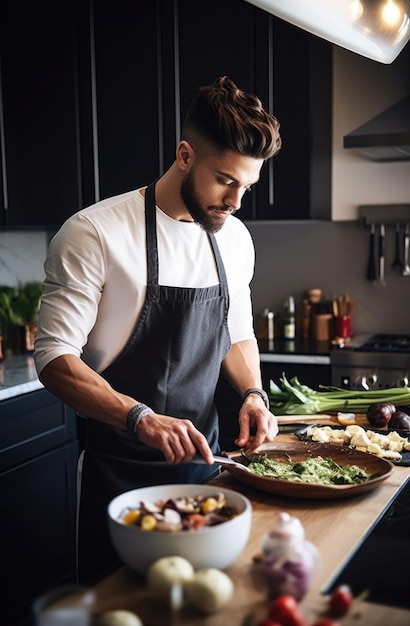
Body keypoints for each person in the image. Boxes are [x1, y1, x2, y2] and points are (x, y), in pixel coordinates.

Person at [34, 76, 282, 583]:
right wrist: (140, 417)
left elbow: (236, 333)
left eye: (247, 187)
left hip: (207, 469)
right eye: (225, 180)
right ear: (185, 155)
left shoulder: (234, 239)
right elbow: (54, 359)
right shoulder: (94, 233)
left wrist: (253, 393)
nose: (235, 201)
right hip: (118, 474)